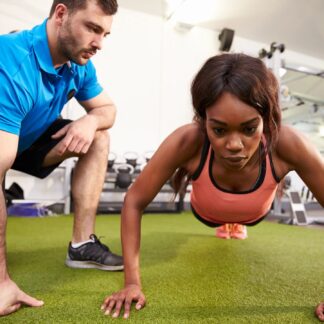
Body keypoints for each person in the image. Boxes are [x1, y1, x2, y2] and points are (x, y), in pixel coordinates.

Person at [100, 53, 324, 319]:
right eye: (219, 130)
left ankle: (236, 223)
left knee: (242, 216)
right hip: (207, 210)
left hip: (254, 213)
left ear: (266, 119)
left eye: (249, 129)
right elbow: (134, 201)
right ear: (203, 119)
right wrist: (132, 282)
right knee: (218, 217)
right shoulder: (188, 140)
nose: (234, 145)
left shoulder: (287, 143)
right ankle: (227, 223)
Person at [0, 0, 123, 317]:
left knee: (99, 137)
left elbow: (107, 109)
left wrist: (90, 120)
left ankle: (81, 246)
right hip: (4, 141)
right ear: (60, 14)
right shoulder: (11, 62)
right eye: (93, 28)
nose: (99, 44)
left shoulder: (79, 64)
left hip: (28, 137)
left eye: (105, 34)